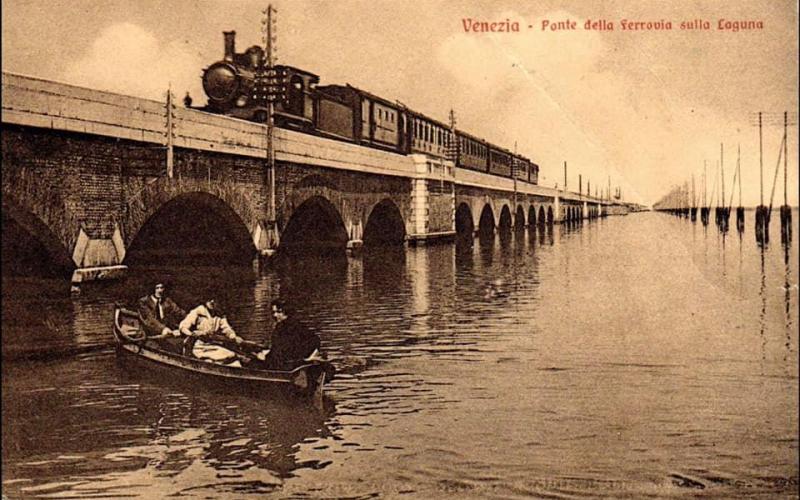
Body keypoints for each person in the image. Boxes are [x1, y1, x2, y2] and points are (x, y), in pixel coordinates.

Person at [179, 299, 245, 365]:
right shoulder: (198, 312)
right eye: (209, 299)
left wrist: (233, 336)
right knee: (226, 356)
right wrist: (192, 334)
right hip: (196, 346)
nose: (212, 302)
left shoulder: (219, 315)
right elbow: (183, 327)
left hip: (211, 345)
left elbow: (226, 329)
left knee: (234, 360)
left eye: (215, 299)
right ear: (205, 300)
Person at [264, 299, 321, 370]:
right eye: (273, 312)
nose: (275, 315)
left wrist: (264, 356)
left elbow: (280, 350)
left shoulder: (289, 327)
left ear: (287, 311)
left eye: (279, 312)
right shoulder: (287, 325)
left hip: (288, 365)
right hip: (292, 362)